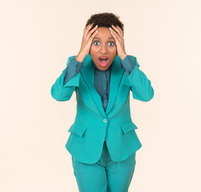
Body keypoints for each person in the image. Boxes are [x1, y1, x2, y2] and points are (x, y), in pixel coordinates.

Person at [51, 12, 154, 192]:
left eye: (111, 43)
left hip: (121, 150)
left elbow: (146, 94)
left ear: (119, 44)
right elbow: (59, 95)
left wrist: (124, 57)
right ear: (87, 43)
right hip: (86, 149)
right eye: (96, 42)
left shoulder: (127, 66)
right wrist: (81, 55)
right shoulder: (77, 66)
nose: (104, 50)